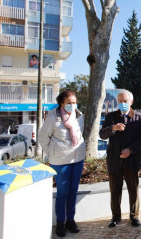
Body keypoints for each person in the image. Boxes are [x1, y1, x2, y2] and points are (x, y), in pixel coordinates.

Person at [38, 90, 86, 237]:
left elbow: (79, 133)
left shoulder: (79, 116)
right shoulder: (53, 117)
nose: (72, 105)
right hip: (60, 161)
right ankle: (60, 222)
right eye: (69, 103)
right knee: (62, 192)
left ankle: (70, 220)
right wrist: (52, 153)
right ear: (61, 103)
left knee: (73, 191)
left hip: (77, 159)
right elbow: (42, 138)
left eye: (74, 102)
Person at [99, 89, 141, 228]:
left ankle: (134, 216)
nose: (122, 103)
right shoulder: (111, 117)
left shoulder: (139, 117)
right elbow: (102, 134)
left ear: (131, 102)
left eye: (125, 101)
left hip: (132, 160)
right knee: (115, 190)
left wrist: (130, 150)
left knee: (133, 190)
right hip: (114, 160)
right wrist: (113, 127)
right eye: (120, 101)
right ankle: (115, 216)